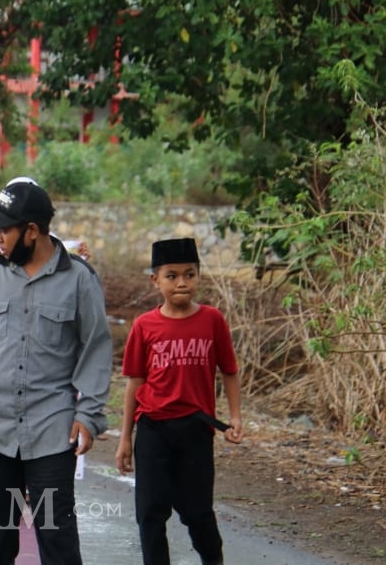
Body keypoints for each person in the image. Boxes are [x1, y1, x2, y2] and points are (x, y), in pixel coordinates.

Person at [0, 180, 113, 565]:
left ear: (32, 231)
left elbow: (97, 350)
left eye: (5, 230)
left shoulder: (80, 279)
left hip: (52, 429)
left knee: (58, 540)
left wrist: (89, 413)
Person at [115, 237, 243, 565]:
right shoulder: (144, 326)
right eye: (171, 275)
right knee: (151, 512)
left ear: (198, 276)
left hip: (196, 429)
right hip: (153, 429)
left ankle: (213, 560)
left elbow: (229, 370)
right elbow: (135, 383)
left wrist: (236, 417)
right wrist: (125, 438)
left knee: (197, 512)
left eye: (189, 274)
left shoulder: (212, 320)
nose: (182, 282)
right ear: (155, 280)